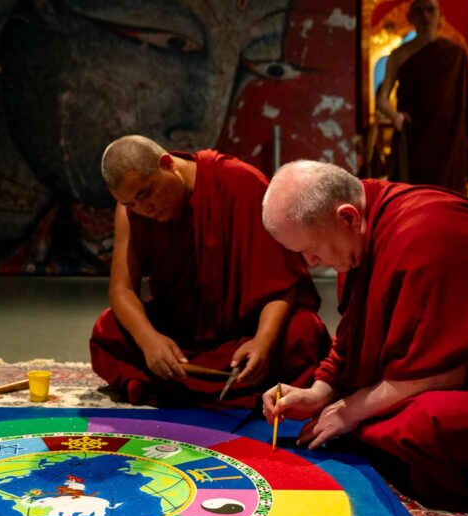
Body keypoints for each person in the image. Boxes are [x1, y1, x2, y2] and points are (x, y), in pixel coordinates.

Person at [261, 160, 468, 516]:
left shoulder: (424, 236)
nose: (311, 263)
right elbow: (355, 332)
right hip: (449, 368)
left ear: (347, 217)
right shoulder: (366, 222)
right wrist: (319, 392)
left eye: (312, 251)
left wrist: (351, 409)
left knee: (421, 425)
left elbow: (443, 370)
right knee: (369, 420)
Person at [89, 135, 330, 407]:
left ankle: (183, 388)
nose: (143, 210)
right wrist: (149, 341)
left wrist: (263, 341)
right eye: (130, 203)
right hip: (180, 340)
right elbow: (122, 289)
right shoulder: (130, 212)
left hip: (245, 335)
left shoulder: (239, 181)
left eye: (145, 194)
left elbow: (283, 281)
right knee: (107, 329)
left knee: (304, 332)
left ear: (167, 164)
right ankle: (217, 387)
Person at [376, 0, 468, 192]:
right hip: (415, 136)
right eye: (419, 11)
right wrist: (395, 117)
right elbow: (382, 99)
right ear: (410, 17)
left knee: (448, 199)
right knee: (415, 198)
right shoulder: (399, 55)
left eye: (431, 10)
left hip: (450, 139)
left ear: (440, 15)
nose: (425, 16)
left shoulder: (456, 54)